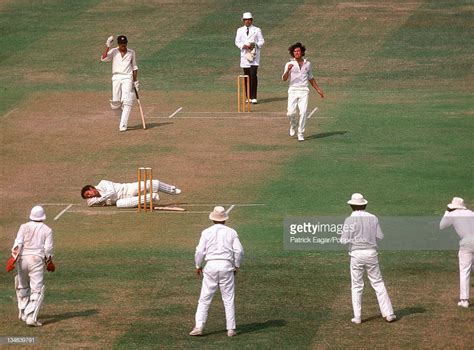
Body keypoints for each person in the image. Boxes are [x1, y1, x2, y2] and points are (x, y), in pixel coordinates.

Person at [341, 193, 396, 324]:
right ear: (364, 205)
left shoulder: (349, 220)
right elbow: (380, 236)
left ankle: (358, 317)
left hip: (356, 254)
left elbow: (343, 240)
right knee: (378, 282)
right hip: (371, 253)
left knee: (356, 285)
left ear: (352, 206)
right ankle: (388, 313)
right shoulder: (373, 218)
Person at [189, 206, 244, 337]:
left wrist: (198, 265)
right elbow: (239, 251)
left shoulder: (206, 232)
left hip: (211, 266)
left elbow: (199, 251)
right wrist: (236, 265)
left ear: (212, 219)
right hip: (226, 266)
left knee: (204, 299)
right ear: (225, 219)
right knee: (228, 299)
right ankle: (231, 329)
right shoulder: (231, 232)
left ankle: (199, 326)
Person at [6, 206, 55, 327]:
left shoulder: (24, 226)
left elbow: (18, 243)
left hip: (22, 259)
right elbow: (47, 248)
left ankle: (23, 312)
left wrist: (13, 258)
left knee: (22, 286)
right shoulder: (47, 230)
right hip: (36, 260)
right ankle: (31, 317)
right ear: (43, 216)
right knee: (37, 289)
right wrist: (49, 262)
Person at [282, 42, 324, 142]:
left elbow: (311, 78)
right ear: (292, 53)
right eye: (295, 51)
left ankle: (301, 132)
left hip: (304, 90)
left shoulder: (307, 64)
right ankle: (293, 125)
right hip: (293, 90)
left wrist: (318, 90)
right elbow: (284, 79)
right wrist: (288, 70)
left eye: (298, 51)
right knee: (290, 113)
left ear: (302, 52)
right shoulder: (289, 64)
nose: (297, 53)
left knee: (303, 112)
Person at [439, 197, 474, 308]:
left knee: (464, 270)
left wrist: (447, 212)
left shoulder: (452, 214)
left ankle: (464, 300)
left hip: (467, 242)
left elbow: (442, 226)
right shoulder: (471, 213)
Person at [101, 35, 139, 132]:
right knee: (115, 104)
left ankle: (123, 124)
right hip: (116, 77)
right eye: (121, 44)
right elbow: (103, 58)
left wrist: (135, 81)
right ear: (118, 44)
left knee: (127, 101)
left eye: (125, 43)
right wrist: (108, 46)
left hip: (127, 77)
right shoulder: (114, 51)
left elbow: (134, 67)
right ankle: (122, 120)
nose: (123, 45)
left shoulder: (131, 52)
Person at [81, 179, 181, 207]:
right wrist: (94, 200)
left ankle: (171, 189)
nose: (90, 196)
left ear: (90, 188)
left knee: (153, 183)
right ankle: (152, 196)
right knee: (119, 204)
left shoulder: (102, 183)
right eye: (88, 196)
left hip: (128, 189)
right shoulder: (94, 200)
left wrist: (100, 199)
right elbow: (89, 203)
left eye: (88, 193)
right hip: (123, 199)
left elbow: (111, 192)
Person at [235, 12, 265, 104]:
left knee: (253, 74)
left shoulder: (257, 30)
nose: (247, 21)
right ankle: (248, 97)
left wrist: (254, 45)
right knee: (246, 75)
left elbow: (261, 41)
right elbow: (237, 41)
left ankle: (254, 97)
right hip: (245, 55)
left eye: (249, 20)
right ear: (243, 21)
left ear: (251, 20)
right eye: (246, 20)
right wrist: (243, 46)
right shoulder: (239, 30)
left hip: (254, 55)